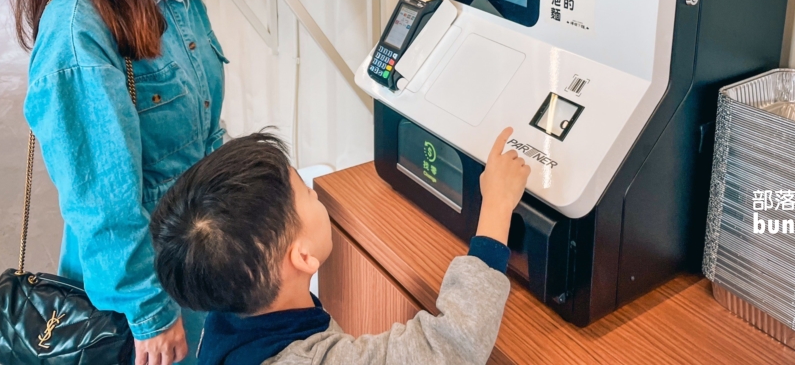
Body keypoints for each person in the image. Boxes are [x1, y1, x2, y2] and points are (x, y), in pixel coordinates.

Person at [17, 0, 228, 364]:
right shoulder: (76, 33)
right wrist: (151, 315)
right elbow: (101, 205)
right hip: (143, 294)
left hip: (199, 258)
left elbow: (205, 137)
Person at [150, 128, 530, 365]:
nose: (318, 195)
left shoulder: (225, 315)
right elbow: (449, 349)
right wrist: (496, 210)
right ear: (302, 257)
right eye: (307, 194)